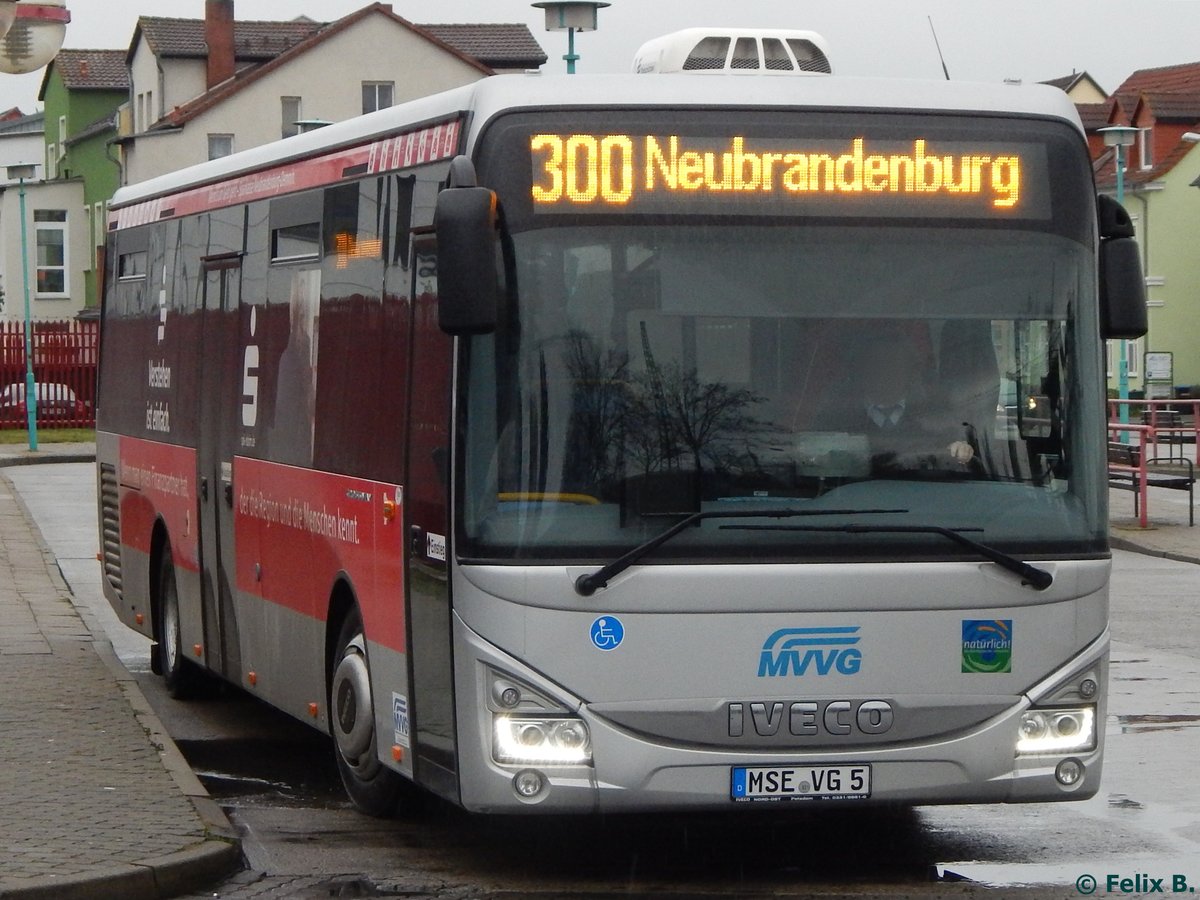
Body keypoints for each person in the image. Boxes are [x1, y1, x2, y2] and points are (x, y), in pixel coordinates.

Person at [815, 325, 975, 473]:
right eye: (876, 364)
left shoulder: (936, 418)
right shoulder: (834, 419)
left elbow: (956, 455)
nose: (885, 372)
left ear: (910, 373)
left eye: (894, 364)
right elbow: (812, 455)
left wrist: (961, 450)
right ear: (859, 371)